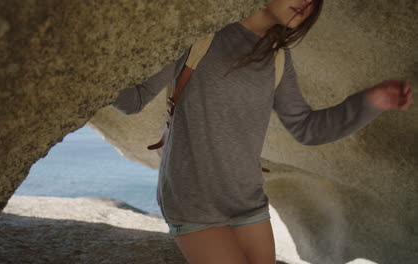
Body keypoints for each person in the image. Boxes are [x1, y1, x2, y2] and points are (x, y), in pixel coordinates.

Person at [110, 0, 414, 263]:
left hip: (247, 201)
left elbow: (307, 129)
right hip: (193, 202)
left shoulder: (277, 56)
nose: (308, 3)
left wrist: (371, 101)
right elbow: (133, 100)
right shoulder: (201, 35)